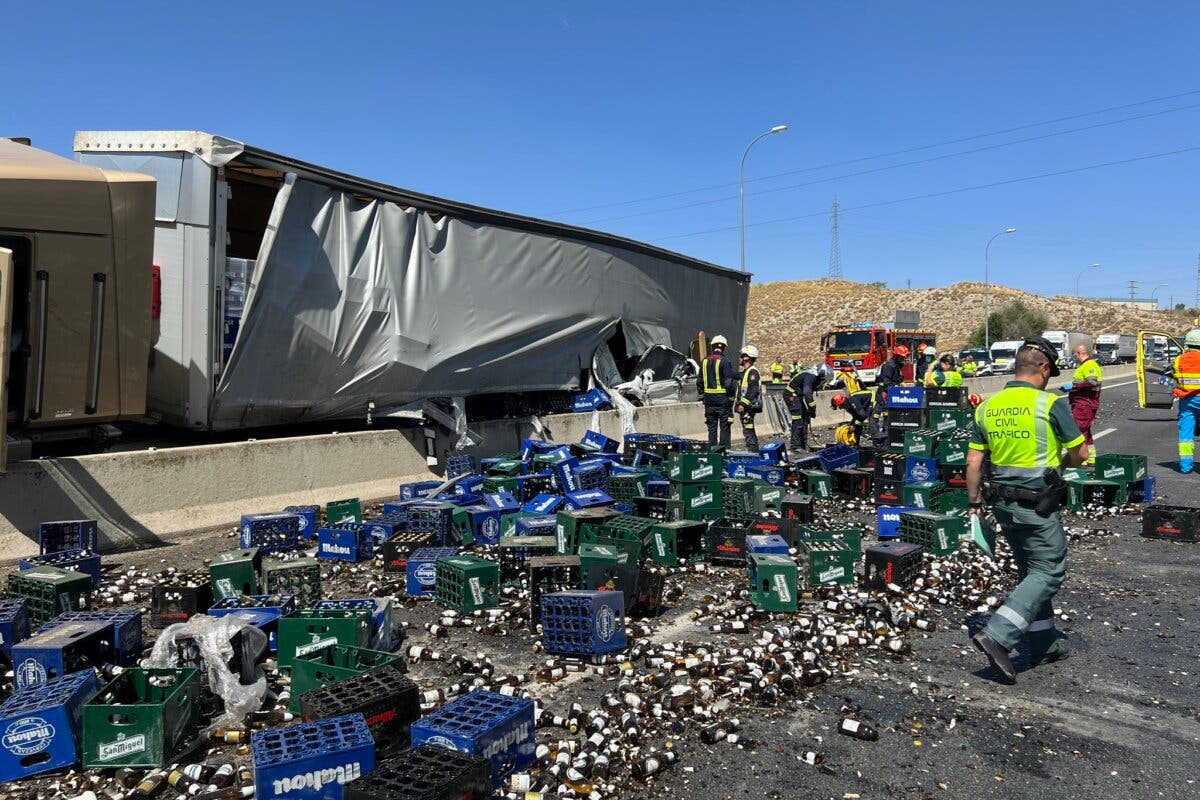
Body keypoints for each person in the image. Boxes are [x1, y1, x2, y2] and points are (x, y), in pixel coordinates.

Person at [966, 337, 1087, 683]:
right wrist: (1061, 463)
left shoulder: (987, 407)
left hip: (1001, 504)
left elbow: (974, 462)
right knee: (1048, 570)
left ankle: (1045, 642)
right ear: (1044, 369)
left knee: (1030, 570)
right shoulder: (1049, 404)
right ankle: (999, 634)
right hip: (1038, 504)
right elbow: (1081, 456)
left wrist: (974, 503)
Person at [1061, 344, 1103, 467]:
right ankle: (1091, 458)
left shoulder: (1089, 365)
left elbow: (1092, 381)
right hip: (1083, 403)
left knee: (1079, 431)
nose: (1074, 358)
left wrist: (1073, 386)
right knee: (1086, 431)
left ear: (1079, 353)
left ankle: (1080, 458)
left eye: (1074, 355)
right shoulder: (1085, 365)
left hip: (1085, 404)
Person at [696, 334, 734, 448]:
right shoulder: (725, 361)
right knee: (724, 427)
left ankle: (712, 452)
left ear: (713, 347)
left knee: (711, 428)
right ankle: (724, 452)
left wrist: (702, 397)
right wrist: (731, 398)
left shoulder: (704, 361)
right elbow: (728, 383)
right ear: (723, 347)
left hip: (709, 401)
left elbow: (699, 381)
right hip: (722, 400)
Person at [1170, 328, 1200, 473]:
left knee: (1186, 435)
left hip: (1187, 401)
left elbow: (1176, 377)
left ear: (1187, 345)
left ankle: (1186, 466)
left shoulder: (1178, 360)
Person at [786, 363, 833, 452]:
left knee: (804, 418)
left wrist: (810, 411)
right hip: (791, 395)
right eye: (823, 380)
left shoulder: (812, 376)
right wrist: (812, 408)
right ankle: (795, 446)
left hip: (797, 396)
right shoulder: (810, 377)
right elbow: (807, 393)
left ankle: (803, 445)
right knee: (798, 419)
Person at [735, 345, 763, 450]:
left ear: (747, 358)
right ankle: (753, 449)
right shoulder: (746, 372)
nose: (740, 359)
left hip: (749, 406)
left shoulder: (753, 372)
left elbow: (752, 390)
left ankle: (753, 450)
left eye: (742, 356)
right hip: (747, 406)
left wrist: (743, 404)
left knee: (748, 428)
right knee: (747, 428)